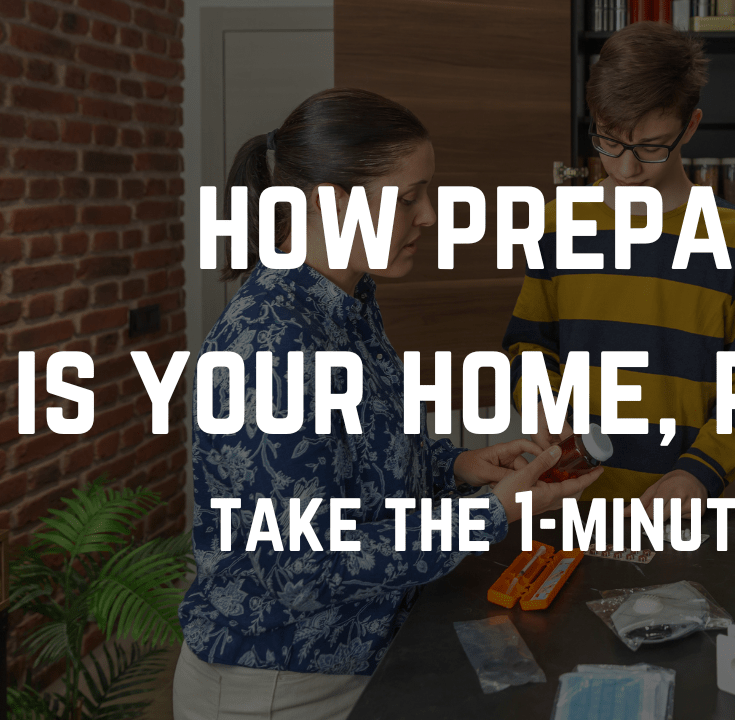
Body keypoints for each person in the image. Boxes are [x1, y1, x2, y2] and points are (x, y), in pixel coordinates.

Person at [173, 88, 599, 720]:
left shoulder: (348, 301)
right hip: (281, 683)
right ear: (327, 202)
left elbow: (361, 462)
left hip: (361, 656)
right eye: (407, 198)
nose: (428, 216)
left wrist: (458, 466)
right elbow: (302, 567)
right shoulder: (271, 347)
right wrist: (492, 513)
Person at [502, 22, 735, 512]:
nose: (627, 168)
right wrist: (544, 403)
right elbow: (528, 345)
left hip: (680, 505)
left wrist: (699, 474)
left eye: (651, 146)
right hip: (571, 500)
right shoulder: (556, 222)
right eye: (609, 141)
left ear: (690, 126)